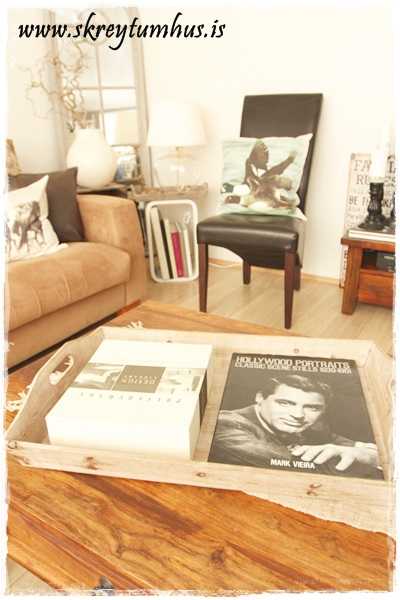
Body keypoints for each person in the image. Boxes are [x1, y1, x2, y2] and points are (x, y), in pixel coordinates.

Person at [208, 374, 382, 478]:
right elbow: (307, 469)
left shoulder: (314, 427)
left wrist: (367, 456)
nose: (298, 415)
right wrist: (364, 458)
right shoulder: (225, 424)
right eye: (285, 403)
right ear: (260, 398)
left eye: (312, 408)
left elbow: (374, 453)